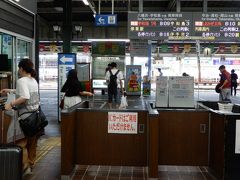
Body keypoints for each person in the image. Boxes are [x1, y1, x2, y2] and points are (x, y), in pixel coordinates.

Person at [0, 58, 40, 173]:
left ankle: (25, 166)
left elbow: (25, 96)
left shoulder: (22, 80)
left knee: (21, 143)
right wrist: (10, 90)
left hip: (25, 117)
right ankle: (31, 164)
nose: (18, 70)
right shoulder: (33, 80)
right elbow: (24, 91)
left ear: (21, 68)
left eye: (19, 68)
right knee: (32, 142)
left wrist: (10, 104)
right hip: (35, 116)